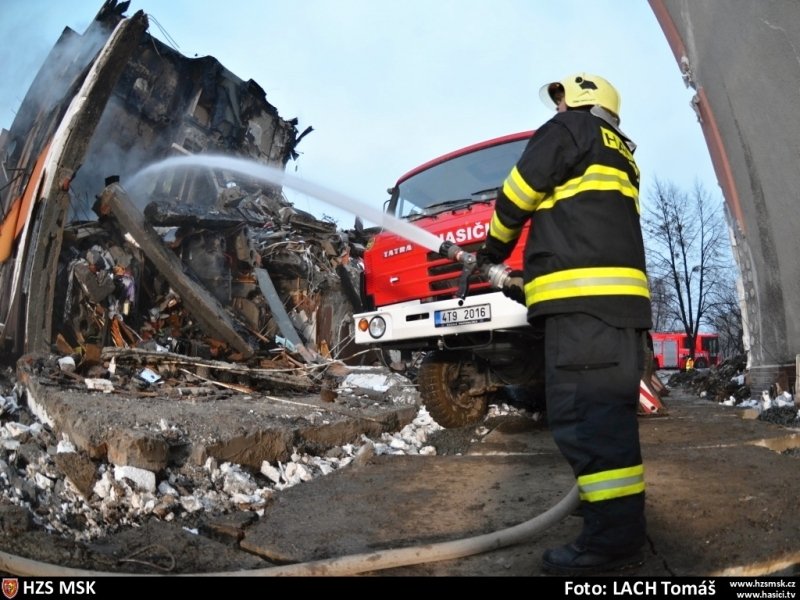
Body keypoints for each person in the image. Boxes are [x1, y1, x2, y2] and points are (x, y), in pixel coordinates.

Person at [476, 73, 652, 575]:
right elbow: (582, 231)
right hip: (617, 312)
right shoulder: (620, 154)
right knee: (609, 426)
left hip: (583, 311)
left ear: (582, 102)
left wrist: (492, 253)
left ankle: (612, 544)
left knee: (586, 424)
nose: (557, 110)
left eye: (563, 102)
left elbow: (519, 190)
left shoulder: (571, 129)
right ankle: (617, 531)